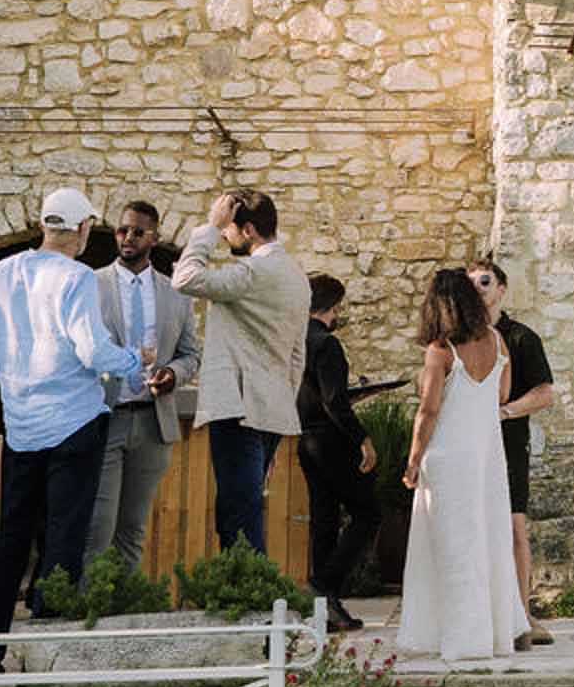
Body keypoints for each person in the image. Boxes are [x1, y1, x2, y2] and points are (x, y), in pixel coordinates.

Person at [0, 187, 143, 674]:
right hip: (74, 423)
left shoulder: (2, 272)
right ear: (83, 230)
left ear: (44, 225)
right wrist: (133, 362)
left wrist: (18, 349)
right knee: (65, 537)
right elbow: (92, 352)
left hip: (21, 425)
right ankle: (48, 657)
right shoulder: (78, 277)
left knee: (12, 537)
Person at [397, 267, 528, 661]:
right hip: (487, 458)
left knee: (451, 548)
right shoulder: (498, 341)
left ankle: (460, 638)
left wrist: (413, 460)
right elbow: (501, 394)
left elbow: (428, 411)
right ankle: (493, 635)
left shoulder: (440, 352)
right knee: (488, 542)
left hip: (449, 458)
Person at [172, 189, 308, 553]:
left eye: (230, 229)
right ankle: (250, 592)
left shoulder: (250, 272)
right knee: (244, 507)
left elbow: (184, 278)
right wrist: (280, 416)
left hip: (237, 408)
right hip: (269, 410)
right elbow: (297, 356)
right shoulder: (297, 277)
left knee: (237, 512)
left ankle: (246, 598)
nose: (226, 237)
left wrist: (209, 228)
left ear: (248, 230)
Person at [85, 200, 200, 568]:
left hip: (153, 422)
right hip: (105, 417)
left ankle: (124, 615)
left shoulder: (176, 293)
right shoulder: (92, 284)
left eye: (137, 231)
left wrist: (173, 375)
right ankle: (88, 612)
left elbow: (190, 355)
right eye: (122, 230)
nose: (128, 237)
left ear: (155, 236)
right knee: (97, 527)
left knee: (132, 530)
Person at [470, 257, 557, 648]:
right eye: (471, 284)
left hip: (507, 443)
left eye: (485, 282)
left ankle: (522, 614)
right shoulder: (461, 339)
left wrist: (503, 412)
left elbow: (544, 393)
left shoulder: (522, 338)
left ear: (501, 288)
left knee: (513, 526)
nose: (478, 290)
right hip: (468, 445)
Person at [297, 273, 379, 632]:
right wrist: (362, 437)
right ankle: (324, 584)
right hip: (331, 440)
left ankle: (323, 610)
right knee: (368, 512)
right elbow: (333, 401)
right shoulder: (327, 344)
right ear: (332, 307)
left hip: (306, 439)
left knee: (324, 521)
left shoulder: (294, 341)